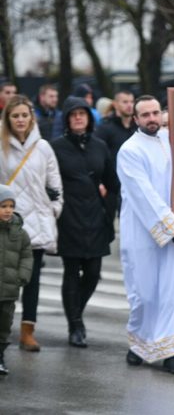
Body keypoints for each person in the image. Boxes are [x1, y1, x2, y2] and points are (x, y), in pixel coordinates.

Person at [117, 95, 174, 375]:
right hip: (145, 232)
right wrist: (171, 226)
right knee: (145, 295)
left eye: (156, 113)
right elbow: (143, 193)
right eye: (145, 115)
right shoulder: (129, 150)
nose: (152, 119)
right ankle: (140, 343)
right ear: (136, 119)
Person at [50, 96, 119, 348]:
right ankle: (75, 325)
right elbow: (47, 180)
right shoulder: (55, 147)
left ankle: (75, 311)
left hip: (95, 218)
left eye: (83, 113)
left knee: (92, 273)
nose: (78, 117)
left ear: (89, 118)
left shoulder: (100, 146)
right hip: (69, 218)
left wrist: (108, 213)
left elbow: (113, 185)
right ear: (67, 119)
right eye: (73, 114)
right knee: (71, 272)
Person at [0, 95, 63, 352]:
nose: (21, 120)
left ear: (31, 117)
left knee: (32, 279)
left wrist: (53, 211)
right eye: (15, 116)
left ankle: (28, 331)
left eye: (25, 115)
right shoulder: (1, 145)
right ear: (8, 119)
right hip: (7, 223)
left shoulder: (44, 147)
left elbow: (55, 183)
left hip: (35, 222)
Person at [0, 184, 33, 376]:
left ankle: (0, 356)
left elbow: (27, 256)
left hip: (9, 290)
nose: (8, 210)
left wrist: (23, 275)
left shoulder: (19, 233)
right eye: (3, 206)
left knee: (4, 324)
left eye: (11, 206)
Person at [95, 90, 137, 219]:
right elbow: (97, 156)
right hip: (111, 185)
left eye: (131, 102)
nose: (129, 105)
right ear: (115, 104)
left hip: (133, 184)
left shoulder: (137, 128)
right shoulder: (105, 128)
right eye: (125, 102)